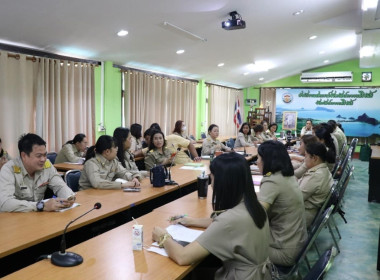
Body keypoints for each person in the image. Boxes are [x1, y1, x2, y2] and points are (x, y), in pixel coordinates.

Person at [152, 153, 273, 279]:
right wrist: (191, 221)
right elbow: (224, 224)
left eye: (213, 178)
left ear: (224, 182)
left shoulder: (229, 221)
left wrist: (163, 236)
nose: (211, 184)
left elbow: (183, 256)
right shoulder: (254, 205)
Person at [257, 141, 307, 267]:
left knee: (233, 245)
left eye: (258, 158)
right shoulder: (286, 175)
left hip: (283, 251)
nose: (257, 162)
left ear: (267, 160)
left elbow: (254, 216)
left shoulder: (272, 181)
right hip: (296, 243)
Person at [0, 133, 75, 212]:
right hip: (15, 219)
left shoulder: (47, 165)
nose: (43, 159)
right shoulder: (9, 169)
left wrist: (68, 198)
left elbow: (60, 186)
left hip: (38, 217)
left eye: (45, 155)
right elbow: (5, 203)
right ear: (24, 156)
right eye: (39, 156)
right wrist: (41, 206)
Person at [298, 142, 334, 228]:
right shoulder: (322, 169)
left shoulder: (315, 176)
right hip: (306, 212)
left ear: (314, 158)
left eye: (306, 156)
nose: (304, 159)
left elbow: (294, 199)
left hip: (301, 217)